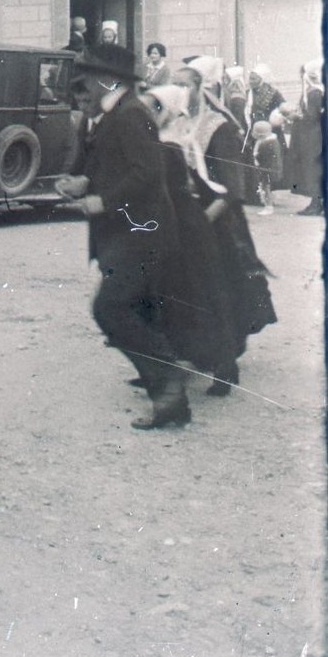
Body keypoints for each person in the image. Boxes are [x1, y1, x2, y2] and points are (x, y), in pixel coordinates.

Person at [55, 43, 188, 430]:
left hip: (142, 234)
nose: (84, 90)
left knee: (109, 308)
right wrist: (84, 183)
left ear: (107, 79)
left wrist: (102, 200)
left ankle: (169, 386)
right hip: (130, 233)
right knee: (137, 310)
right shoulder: (117, 115)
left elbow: (149, 173)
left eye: (89, 80)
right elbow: (122, 168)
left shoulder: (131, 115)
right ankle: (169, 396)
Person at [165, 61, 276, 382]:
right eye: (175, 85)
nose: (179, 92)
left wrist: (202, 223)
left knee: (218, 291)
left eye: (185, 85)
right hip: (183, 220)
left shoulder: (220, 127)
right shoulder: (175, 123)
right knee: (178, 289)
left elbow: (232, 188)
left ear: (204, 88)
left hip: (218, 224)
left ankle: (225, 364)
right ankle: (176, 356)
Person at [140, 84, 242, 396]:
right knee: (167, 295)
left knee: (201, 293)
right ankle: (163, 364)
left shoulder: (172, 140)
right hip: (170, 224)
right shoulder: (165, 138)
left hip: (184, 226)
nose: (149, 116)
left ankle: (225, 366)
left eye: (155, 109)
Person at [288, 58, 324, 215]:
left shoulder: (314, 93)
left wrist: (295, 116)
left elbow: (312, 116)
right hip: (310, 136)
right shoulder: (314, 91)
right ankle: (315, 203)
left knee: (313, 170)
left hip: (312, 137)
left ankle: (316, 205)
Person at [250, 119, 283, 215]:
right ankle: (270, 203)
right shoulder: (273, 140)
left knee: (266, 187)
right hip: (271, 168)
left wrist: (256, 158)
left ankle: (268, 207)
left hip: (267, 169)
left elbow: (261, 156)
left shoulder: (266, 144)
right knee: (267, 187)